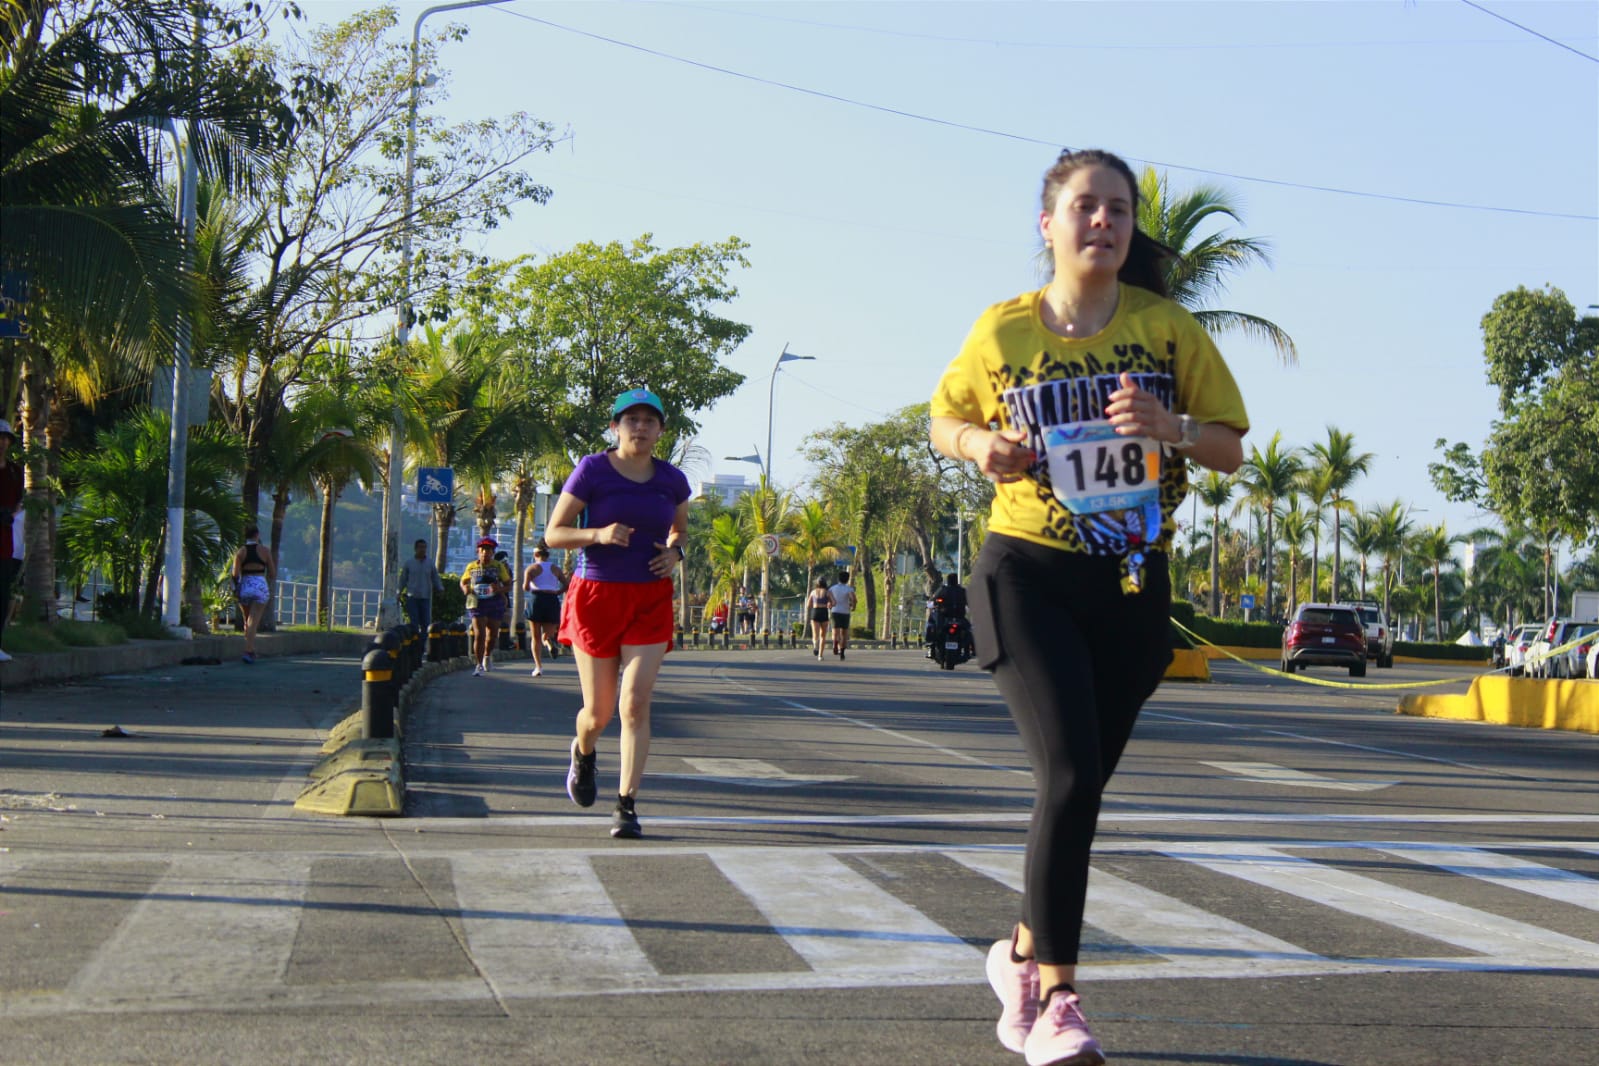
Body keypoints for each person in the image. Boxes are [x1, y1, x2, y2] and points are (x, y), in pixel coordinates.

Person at [930, 148, 1248, 1066]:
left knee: (1078, 790)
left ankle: (1020, 961)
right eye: (1083, 206)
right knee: (1068, 776)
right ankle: (1061, 1001)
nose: (1101, 221)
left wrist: (1173, 428)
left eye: (1117, 208)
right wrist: (977, 446)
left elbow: (1228, 447)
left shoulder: (1165, 329)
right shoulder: (1002, 332)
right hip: (1024, 572)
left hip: (1130, 585)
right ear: (1048, 224)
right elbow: (941, 417)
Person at [545, 388, 690, 840]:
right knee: (599, 712)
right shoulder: (592, 469)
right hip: (596, 597)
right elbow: (554, 534)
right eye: (632, 420)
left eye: (650, 420)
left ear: (661, 430)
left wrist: (675, 555)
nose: (641, 427)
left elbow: (679, 531)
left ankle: (626, 804)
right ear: (615, 427)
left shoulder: (672, 479)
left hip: (649, 599)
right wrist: (599, 534)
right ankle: (583, 752)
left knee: (635, 703)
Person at [460, 537, 510, 676]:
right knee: (479, 634)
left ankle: (487, 656)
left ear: (492, 553)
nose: (485, 553)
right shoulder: (471, 566)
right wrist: (465, 588)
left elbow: (508, 584)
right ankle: (478, 664)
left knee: (492, 634)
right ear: (478, 552)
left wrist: (498, 589)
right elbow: (463, 581)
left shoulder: (498, 566)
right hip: (477, 603)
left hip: (494, 602)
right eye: (482, 551)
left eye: (488, 551)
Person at [522, 543, 568, 678]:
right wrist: (557, 592)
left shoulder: (532, 568)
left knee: (535, 636)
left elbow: (525, 587)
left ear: (536, 555)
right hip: (552, 599)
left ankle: (538, 667)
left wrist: (531, 586)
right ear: (548, 555)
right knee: (547, 633)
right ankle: (548, 642)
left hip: (537, 598)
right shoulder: (556, 569)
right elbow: (566, 584)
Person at [230, 525, 275, 664]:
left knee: (247, 620)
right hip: (259, 585)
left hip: (245, 585)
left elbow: (235, 574)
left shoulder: (241, 552)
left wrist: (235, 588)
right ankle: (248, 651)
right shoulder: (265, 551)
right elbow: (272, 573)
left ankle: (250, 649)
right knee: (253, 621)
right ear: (257, 535)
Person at [0, 419, 23, 663]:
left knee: (2, 593)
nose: (2, 443)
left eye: (5, 439)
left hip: (5, 542)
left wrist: (11, 513)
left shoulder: (15, 471)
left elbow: (19, 500)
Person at [398, 538, 444, 645]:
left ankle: (421, 645)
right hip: (412, 597)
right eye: (420, 547)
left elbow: (435, 577)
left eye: (424, 547)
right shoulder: (409, 563)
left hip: (425, 597)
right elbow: (403, 579)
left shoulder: (430, 563)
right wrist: (399, 592)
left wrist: (440, 589)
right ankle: (413, 644)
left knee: (426, 623)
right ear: (415, 549)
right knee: (414, 623)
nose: (422, 550)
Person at [826, 570, 855, 659]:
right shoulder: (849, 589)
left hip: (835, 612)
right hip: (845, 612)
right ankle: (842, 652)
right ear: (847, 579)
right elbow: (853, 598)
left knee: (835, 631)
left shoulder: (832, 588)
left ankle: (835, 643)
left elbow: (828, 598)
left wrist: (830, 604)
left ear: (839, 579)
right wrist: (853, 606)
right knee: (844, 633)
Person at [804, 577, 834, 659]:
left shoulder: (813, 592)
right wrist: (829, 604)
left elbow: (808, 605)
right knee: (823, 635)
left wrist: (814, 604)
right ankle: (820, 655)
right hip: (824, 612)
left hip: (815, 612)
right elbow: (834, 602)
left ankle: (815, 646)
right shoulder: (827, 592)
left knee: (815, 634)